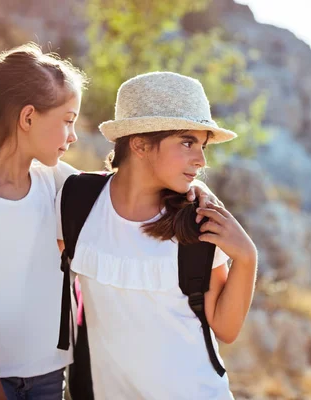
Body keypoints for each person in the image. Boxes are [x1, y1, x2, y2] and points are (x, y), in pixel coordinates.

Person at [0, 44, 218, 400]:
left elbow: (123, 185)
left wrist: (197, 187)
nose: (73, 136)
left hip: (50, 375)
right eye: (67, 120)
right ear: (28, 118)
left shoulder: (58, 183)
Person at [57, 71, 258, 399]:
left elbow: (226, 328)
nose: (202, 160)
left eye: (203, 145)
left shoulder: (196, 220)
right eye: (187, 142)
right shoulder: (76, 200)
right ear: (139, 143)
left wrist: (246, 257)